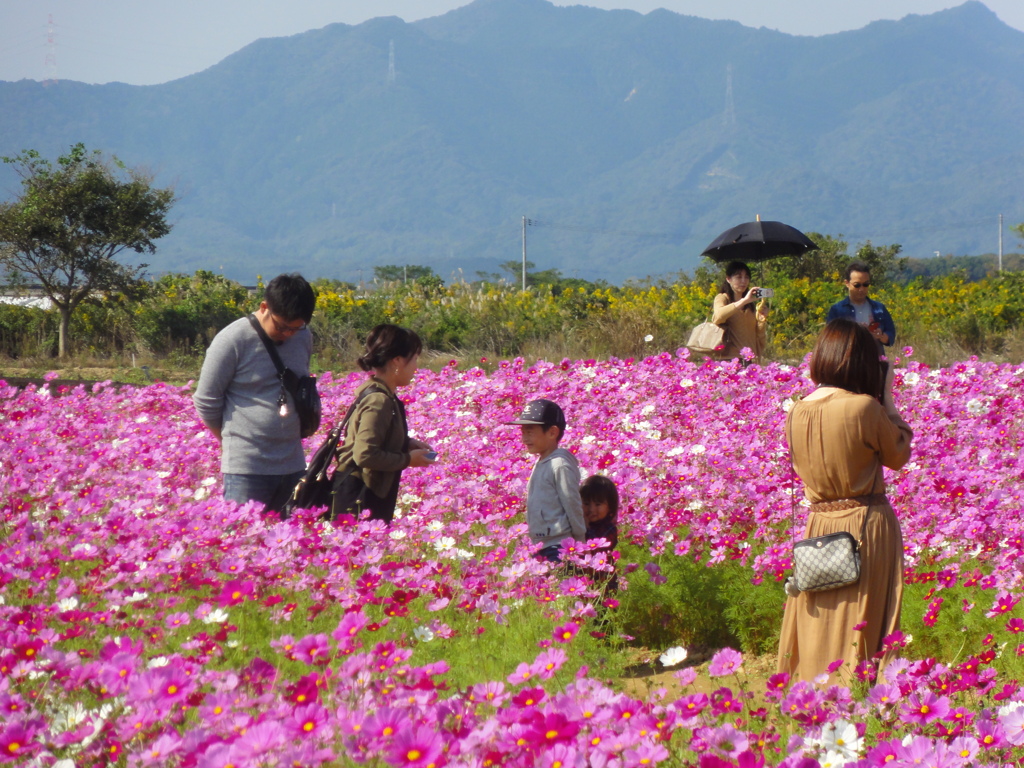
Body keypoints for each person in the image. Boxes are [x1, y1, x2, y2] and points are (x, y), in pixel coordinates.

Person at [777, 318, 913, 684]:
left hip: (820, 525)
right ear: (863, 362)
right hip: (865, 523)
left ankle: (813, 692)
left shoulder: (795, 411)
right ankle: (858, 696)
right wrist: (888, 399)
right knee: (863, 617)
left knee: (818, 611)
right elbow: (898, 454)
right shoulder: (864, 408)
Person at [193, 273, 316, 516]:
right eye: (282, 327)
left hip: (292, 463)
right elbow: (206, 400)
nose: (289, 334)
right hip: (246, 469)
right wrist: (236, 442)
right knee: (245, 544)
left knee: (292, 545)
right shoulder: (232, 340)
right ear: (264, 307)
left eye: (296, 327)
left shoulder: (304, 336)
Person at [331, 324, 435, 523]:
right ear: (397, 361)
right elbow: (364, 454)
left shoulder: (381, 393)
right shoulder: (378, 400)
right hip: (359, 499)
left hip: (366, 495)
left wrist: (406, 443)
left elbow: (375, 438)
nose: (416, 367)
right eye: (414, 359)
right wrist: (407, 460)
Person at [504, 399, 586, 562]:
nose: (524, 438)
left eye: (530, 431)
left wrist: (580, 541)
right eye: (523, 432)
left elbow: (572, 503)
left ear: (552, 432)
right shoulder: (542, 461)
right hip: (542, 545)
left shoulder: (559, 464)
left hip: (559, 545)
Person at [825, 261, 896, 350]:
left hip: (874, 358)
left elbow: (891, 334)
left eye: (865, 284)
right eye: (857, 285)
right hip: (848, 360)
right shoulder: (837, 310)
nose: (861, 289)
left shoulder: (879, 308)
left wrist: (881, 336)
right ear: (847, 283)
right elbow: (830, 339)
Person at [711, 260, 769, 361]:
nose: (743, 281)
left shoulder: (750, 305)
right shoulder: (723, 298)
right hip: (730, 360)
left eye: (746, 277)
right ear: (728, 279)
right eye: (738, 277)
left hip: (750, 359)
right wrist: (744, 301)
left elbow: (758, 335)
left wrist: (762, 319)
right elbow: (718, 317)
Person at [581, 474, 620, 591]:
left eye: (598, 504)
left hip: (603, 583)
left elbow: (594, 548)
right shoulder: (577, 524)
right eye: (586, 503)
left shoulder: (609, 529)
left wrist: (585, 527)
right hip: (583, 581)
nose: (592, 509)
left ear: (610, 507)